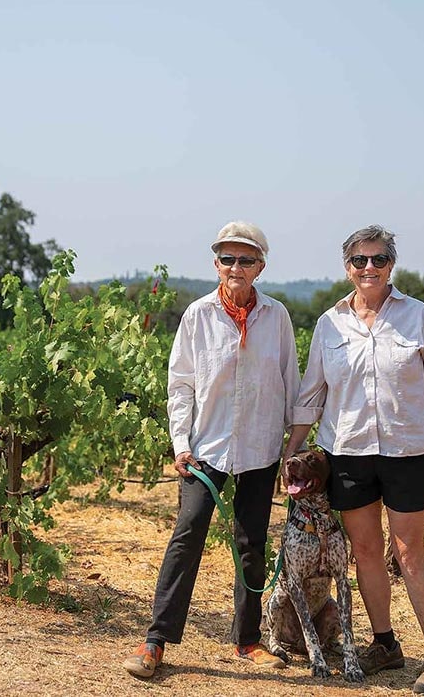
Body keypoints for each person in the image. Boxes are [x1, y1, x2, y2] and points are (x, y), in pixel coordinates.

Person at [281, 225, 424, 695]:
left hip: (409, 451)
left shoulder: (418, 317)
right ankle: (385, 644)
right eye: (359, 261)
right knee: (364, 552)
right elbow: (311, 396)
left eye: (378, 260)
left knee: (408, 555)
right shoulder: (329, 323)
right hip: (349, 452)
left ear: (391, 265)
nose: (369, 268)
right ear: (347, 267)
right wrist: (291, 453)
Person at [123, 221, 300, 679]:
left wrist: (292, 445)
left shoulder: (276, 317)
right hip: (206, 448)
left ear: (261, 266)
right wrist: (180, 443)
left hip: (261, 446)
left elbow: (290, 383)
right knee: (188, 535)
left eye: (246, 259)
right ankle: (156, 640)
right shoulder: (199, 315)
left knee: (252, 543)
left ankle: (247, 640)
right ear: (215, 264)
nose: (235, 267)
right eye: (227, 258)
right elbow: (180, 385)